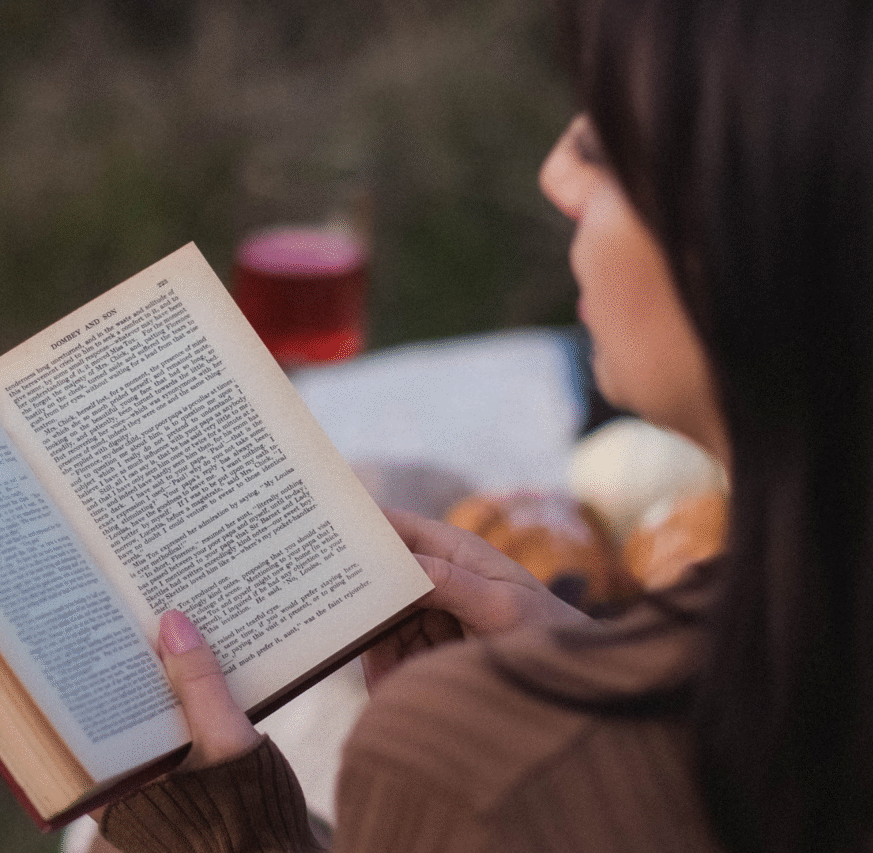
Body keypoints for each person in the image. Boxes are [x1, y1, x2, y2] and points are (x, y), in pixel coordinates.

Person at [89, 0, 873, 850]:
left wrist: (226, 827)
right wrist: (582, 656)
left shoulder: (475, 765)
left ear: (781, 221)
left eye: (609, 144)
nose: (557, 175)